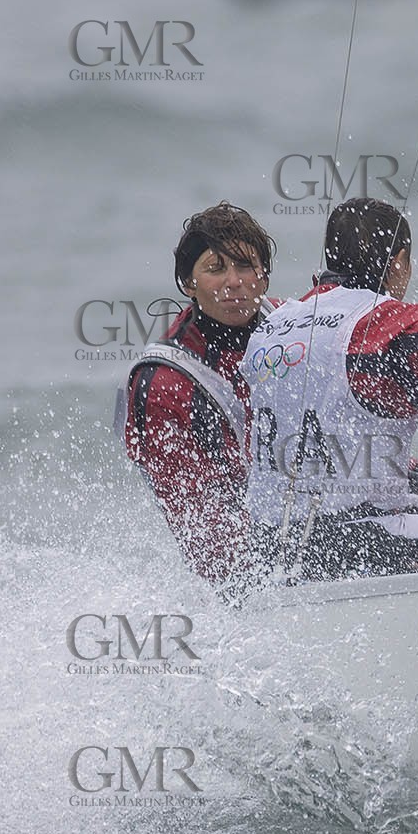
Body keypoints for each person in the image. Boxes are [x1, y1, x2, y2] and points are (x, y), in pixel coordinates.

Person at [241, 197, 418, 580]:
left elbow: (316, 427)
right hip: (350, 542)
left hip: (266, 545)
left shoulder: (274, 323)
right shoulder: (379, 322)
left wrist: (414, 472)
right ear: (400, 261)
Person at [116, 202, 277, 587]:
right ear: (188, 283)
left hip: (310, 518)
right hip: (244, 570)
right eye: (216, 268)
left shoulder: (293, 327)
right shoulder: (162, 384)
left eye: (245, 266)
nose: (234, 281)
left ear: (264, 277)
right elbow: (201, 529)